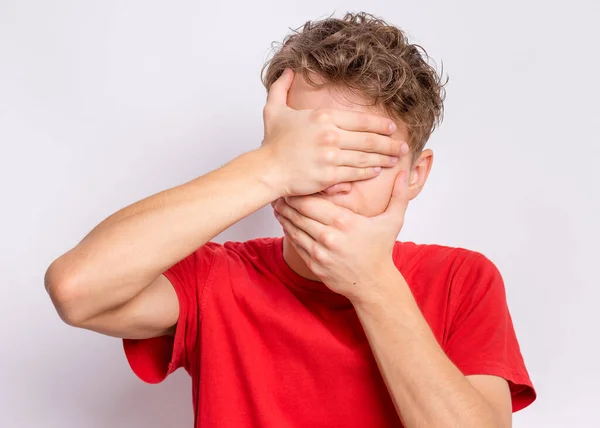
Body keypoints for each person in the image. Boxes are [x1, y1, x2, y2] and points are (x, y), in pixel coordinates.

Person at [45, 12, 535, 428]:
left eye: (364, 159)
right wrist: (268, 167)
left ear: (413, 176)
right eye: (315, 155)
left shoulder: (462, 281)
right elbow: (77, 289)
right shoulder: (217, 279)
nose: (333, 182)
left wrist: (372, 285)